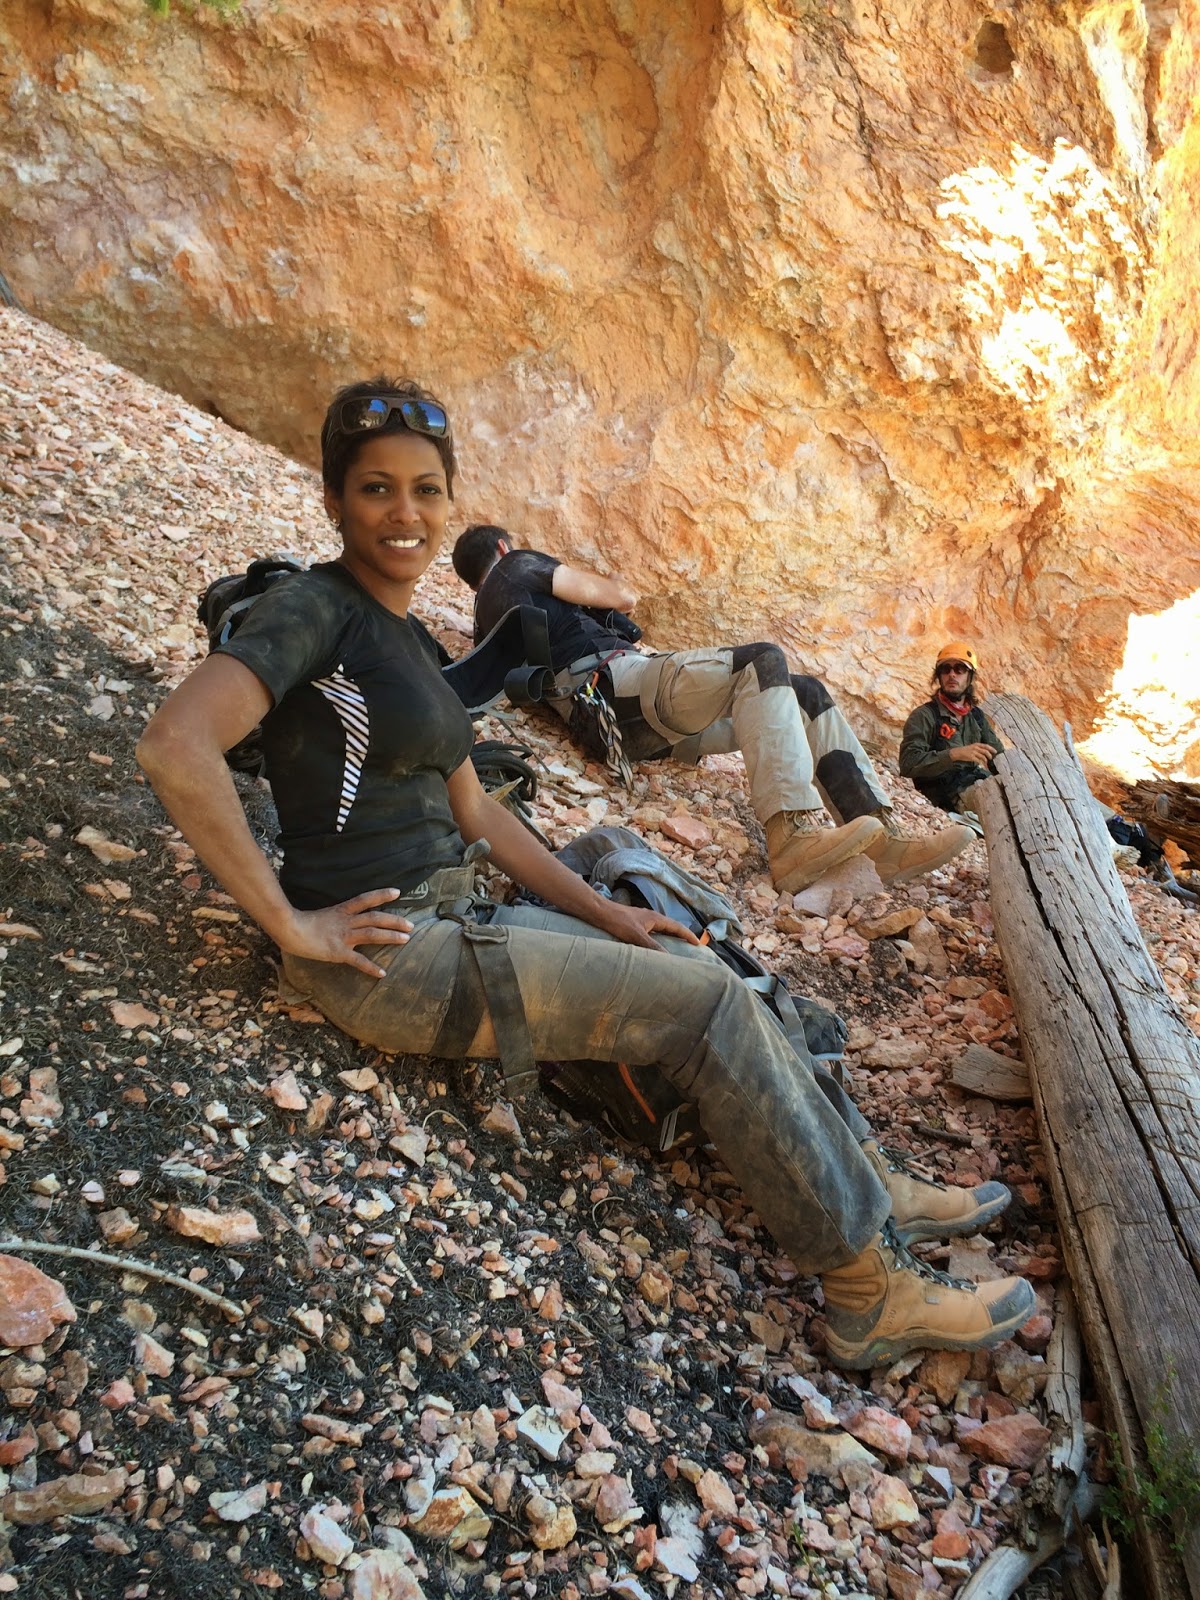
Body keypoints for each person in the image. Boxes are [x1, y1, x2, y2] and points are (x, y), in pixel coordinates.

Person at [137, 377, 1034, 1370]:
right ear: (333, 502)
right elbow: (179, 745)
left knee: (696, 950)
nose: (404, 513)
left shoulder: (402, 637)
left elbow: (477, 811)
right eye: (376, 490)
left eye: (426, 490)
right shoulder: (316, 607)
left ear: (448, 502)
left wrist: (607, 914)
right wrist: (290, 923)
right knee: (703, 1010)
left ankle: (863, 1174)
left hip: (459, 914)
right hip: (396, 955)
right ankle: (870, 1290)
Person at [451, 526, 975, 895]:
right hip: (620, 687)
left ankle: (878, 838)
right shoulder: (519, 566)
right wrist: (603, 598)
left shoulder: (484, 624)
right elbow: (621, 596)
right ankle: (792, 838)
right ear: (503, 546)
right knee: (763, 660)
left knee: (804, 692)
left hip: (624, 723)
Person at [898, 642, 1003, 825]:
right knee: (1000, 809)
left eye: (960, 669)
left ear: (970, 676)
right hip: (947, 794)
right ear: (938, 676)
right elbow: (908, 764)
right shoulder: (924, 716)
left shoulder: (976, 717)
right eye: (946, 669)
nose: (952, 674)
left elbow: (999, 759)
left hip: (977, 783)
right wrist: (954, 755)